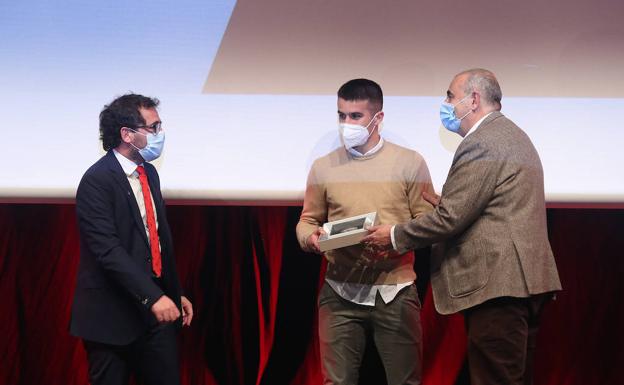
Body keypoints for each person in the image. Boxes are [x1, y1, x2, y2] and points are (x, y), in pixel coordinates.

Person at [364, 69, 562, 385]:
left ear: (473, 99)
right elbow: (492, 207)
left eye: (449, 97)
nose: (445, 104)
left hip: (498, 284)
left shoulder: (483, 142)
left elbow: (452, 218)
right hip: (519, 283)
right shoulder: (510, 134)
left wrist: (395, 235)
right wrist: (449, 204)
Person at [296, 79, 435, 385]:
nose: (347, 124)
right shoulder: (324, 167)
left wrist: (395, 236)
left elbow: (429, 223)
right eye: (341, 115)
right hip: (339, 291)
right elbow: (307, 220)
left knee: (405, 380)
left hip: (394, 291)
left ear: (378, 118)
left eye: (355, 116)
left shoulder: (410, 163)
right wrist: (311, 239)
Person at [70, 94, 193, 385]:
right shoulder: (97, 181)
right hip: (111, 319)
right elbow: (109, 251)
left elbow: (157, 239)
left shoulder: (149, 173)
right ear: (127, 134)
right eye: (153, 128)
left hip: (155, 317)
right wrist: (154, 297)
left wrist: (174, 292)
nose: (159, 135)